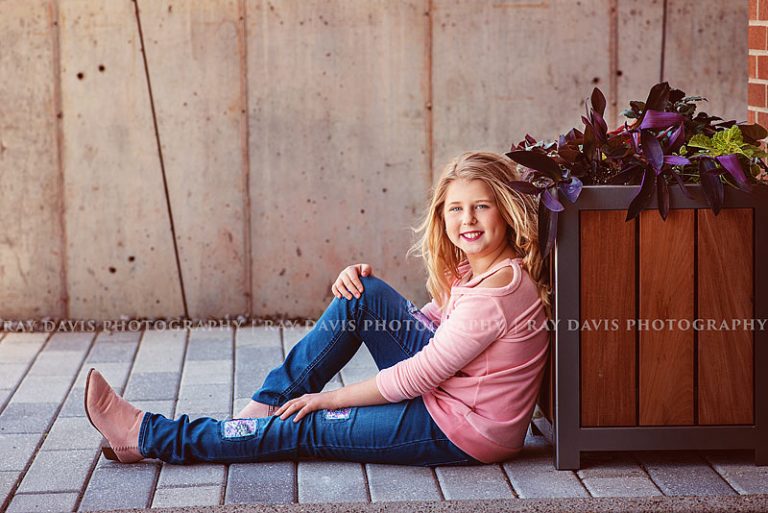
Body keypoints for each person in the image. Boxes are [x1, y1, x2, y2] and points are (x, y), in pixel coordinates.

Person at [84, 151, 551, 467]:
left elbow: (419, 374)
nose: (466, 220)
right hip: (451, 401)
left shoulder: (499, 291)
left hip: (461, 430)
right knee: (361, 294)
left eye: (481, 208)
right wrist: (363, 296)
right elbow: (438, 330)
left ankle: (150, 436)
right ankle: (258, 412)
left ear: (506, 213)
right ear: (441, 215)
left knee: (304, 425)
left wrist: (326, 399)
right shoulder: (481, 272)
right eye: (455, 209)